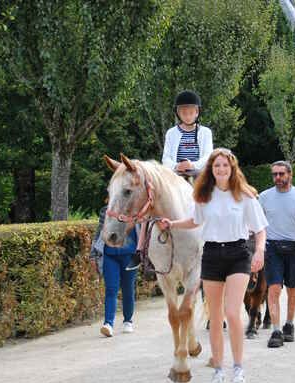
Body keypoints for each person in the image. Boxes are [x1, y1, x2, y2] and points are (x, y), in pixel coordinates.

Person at [158, 148, 267, 383]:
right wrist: (172, 223)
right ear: (211, 169)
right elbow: (195, 221)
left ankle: (238, 368)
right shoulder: (203, 196)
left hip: (238, 254)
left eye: (224, 166)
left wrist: (259, 251)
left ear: (232, 168)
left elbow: (259, 229)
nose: (220, 169)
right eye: (216, 166)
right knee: (215, 317)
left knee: (232, 312)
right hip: (212, 256)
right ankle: (219, 369)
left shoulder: (245, 196)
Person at [126, 90, 213, 271]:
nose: (187, 115)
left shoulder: (205, 132)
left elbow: (207, 155)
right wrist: (176, 166)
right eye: (184, 112)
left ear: (197, 113)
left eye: (191, 112)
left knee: (213, 201)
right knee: (150, 202)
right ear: (178, 113)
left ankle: (214, 242)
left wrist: (192, 163)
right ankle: (140, 250)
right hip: (174, 175)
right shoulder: (172, 133)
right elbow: (166, 158)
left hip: (198, 174)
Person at [258, 161, 295, 348]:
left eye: (281, 174)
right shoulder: (265, 197)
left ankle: (289, 325)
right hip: (272, 248)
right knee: (273, 288)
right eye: (274, 174)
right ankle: (276, 331)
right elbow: (258, 226)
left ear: (290, 174)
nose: (277, 178)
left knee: (293, 289)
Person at [90, 205, 138, 337]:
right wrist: (93, 255)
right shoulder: (106, 210)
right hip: (109, 254)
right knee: (111, 288)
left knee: (128, 289)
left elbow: (143, 231)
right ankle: (108, 324)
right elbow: (98, 233)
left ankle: (128, 321)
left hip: (129, 254)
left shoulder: (136, 210)